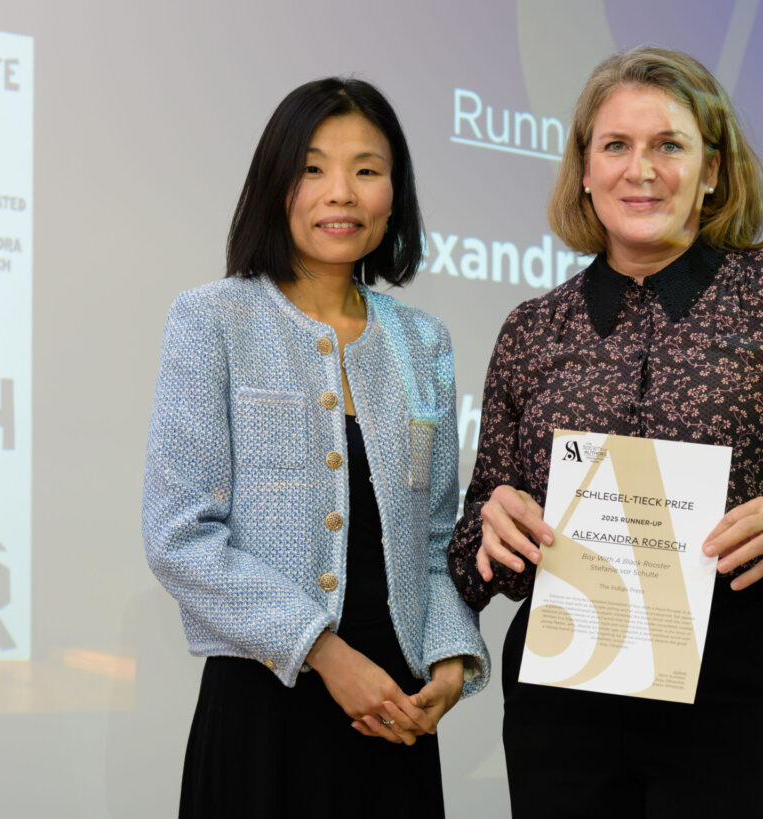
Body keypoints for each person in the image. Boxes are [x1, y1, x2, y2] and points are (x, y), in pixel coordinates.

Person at [447, 47, 763, 818]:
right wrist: (493, 526)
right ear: (584, 170)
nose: (639, 169)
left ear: (712, 170)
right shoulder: (532, 330)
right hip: (566, 699)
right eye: (616, 145)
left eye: (668, 145)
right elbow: (478, 533)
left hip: (739, 688)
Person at [142, 77, 489, 818]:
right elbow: (178, 536)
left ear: (394, 193)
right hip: (265, 709)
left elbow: (434, 537)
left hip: (391, 711)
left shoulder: (422, 340)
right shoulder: (214, 320)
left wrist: (454, 656)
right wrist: (325, 654)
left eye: (366, 170)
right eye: (312, 168)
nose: (342, 192)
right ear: (277, 183)